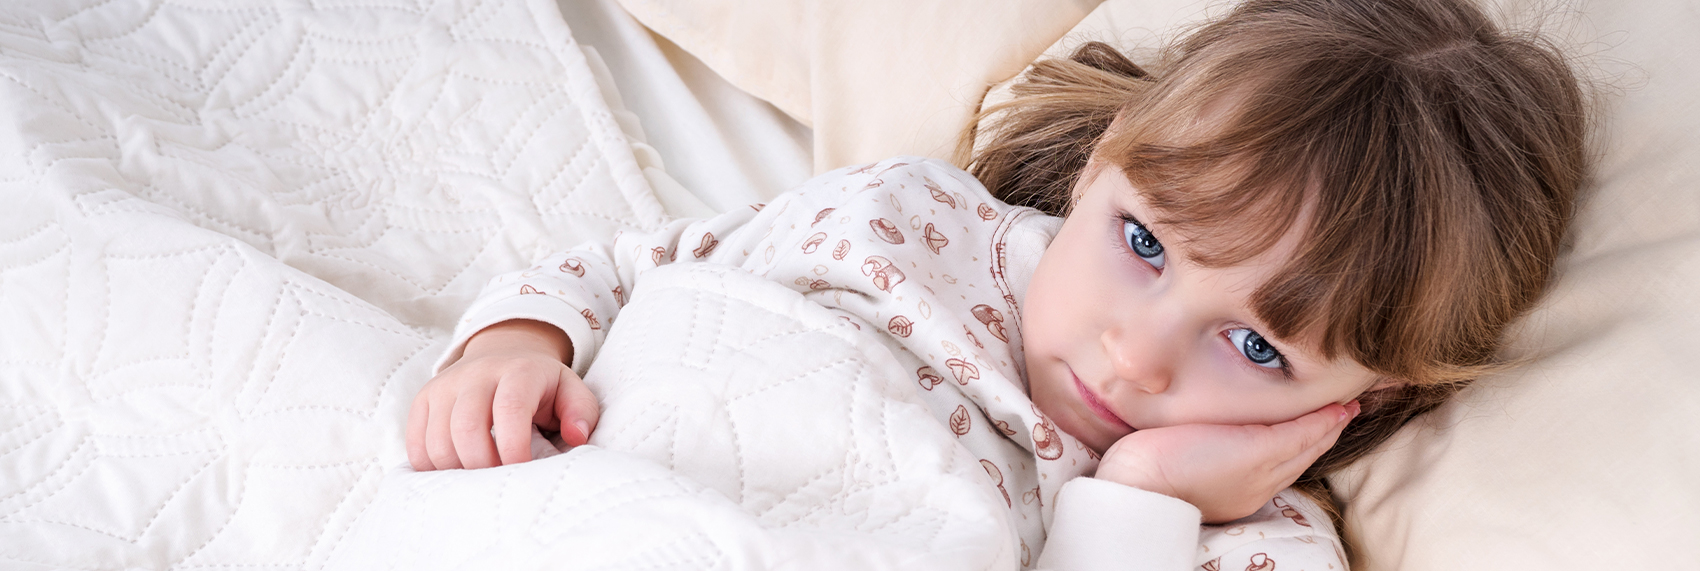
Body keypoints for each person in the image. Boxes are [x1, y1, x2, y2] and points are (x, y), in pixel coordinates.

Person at [405, 0, 1588, 568]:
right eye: (1142, 245)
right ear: (1102, 163)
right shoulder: (905, 215)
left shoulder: (1252, 538)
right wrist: (516, 342)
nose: (1134, 357)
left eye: (1258, 350)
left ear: (1364, 400)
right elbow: (633, 266)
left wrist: (1135, 498)